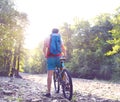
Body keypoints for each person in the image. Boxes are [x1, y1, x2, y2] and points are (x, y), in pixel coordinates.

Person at [43, 28, 66, 97]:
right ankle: (66, 84)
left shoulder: (47, 38)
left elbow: (44, 48)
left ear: (51, 32)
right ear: (58, 32)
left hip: (50, 58)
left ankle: (48, 92)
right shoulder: (60, 38)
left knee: (49, 75)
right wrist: (65, 55)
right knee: (63, 69)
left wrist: (45, 55)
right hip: (60, 57)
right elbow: (63, 48)